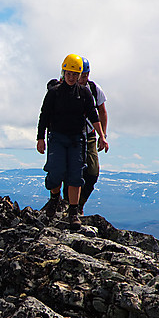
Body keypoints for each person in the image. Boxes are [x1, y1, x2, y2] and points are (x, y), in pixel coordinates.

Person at [36, 54, 108, 228]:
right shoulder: (54, 93)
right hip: (57, 137)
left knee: (76, 175)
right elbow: (44, 115)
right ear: (63, 72)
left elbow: (93, 114)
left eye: (75, 74)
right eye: (69, 73)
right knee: (56, 172)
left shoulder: (84, 92)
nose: (71, 77)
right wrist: (40, 138)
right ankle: (55, 199)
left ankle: (73, 212)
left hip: (77, 139)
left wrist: (102, 136)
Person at [77, 57, 108, 215]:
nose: (84, 78)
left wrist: (103, 134)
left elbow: (102, 111)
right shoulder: (66, 88)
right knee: (73, 172)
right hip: (71, 136)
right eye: (81, 75)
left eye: (86, 75)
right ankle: (71, 206)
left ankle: (80, 204)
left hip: (89, 136)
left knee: (93, 172)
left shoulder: (94, 89)